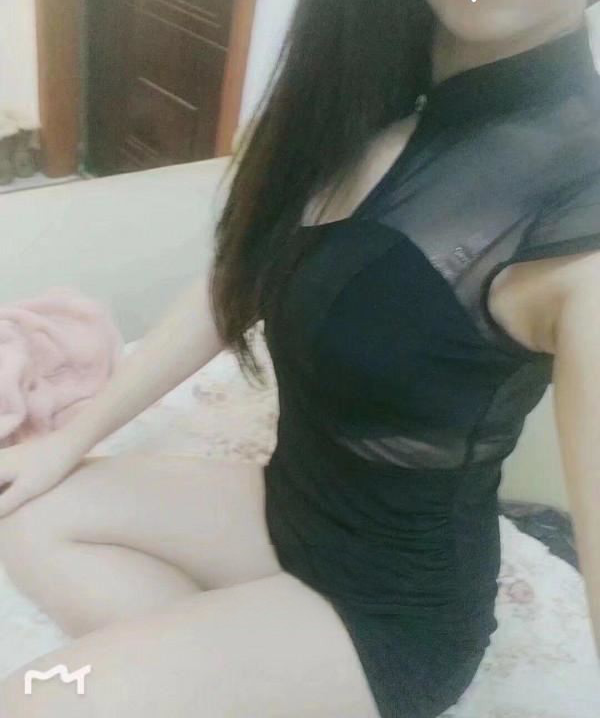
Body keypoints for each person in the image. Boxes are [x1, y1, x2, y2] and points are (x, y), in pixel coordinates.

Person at [1, 1, 600, 716]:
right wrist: (66, 441)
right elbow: (241, 281)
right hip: (291, 505)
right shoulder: (366, 104)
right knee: (32, 515)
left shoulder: (580, 205)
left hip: (390, 611)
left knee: (36, 698)